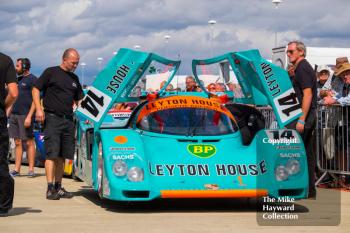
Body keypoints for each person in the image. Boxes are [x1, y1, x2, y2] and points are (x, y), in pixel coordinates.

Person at [32, 48, 84, 200]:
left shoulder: (74, 78)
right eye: (74, 62)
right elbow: (36, 89)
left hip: (68, 120)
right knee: (51, 154)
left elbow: (79, 100)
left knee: (62, 156)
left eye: (77, 63)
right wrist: (38, 109)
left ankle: (58, 187)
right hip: (52, 118)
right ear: (65, 59)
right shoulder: (51, 72)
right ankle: (49, 189)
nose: (76, 65)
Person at [286, 41, 317, 198]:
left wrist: (302, 119)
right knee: (306, 153)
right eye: (288, 51)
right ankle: (309, 190)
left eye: (291, 51)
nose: (288, 54)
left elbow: (308, 94)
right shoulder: (300, 68)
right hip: (306, 115)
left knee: (295, 152)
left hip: (304, 116)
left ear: (301, 52)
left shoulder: (303, 67)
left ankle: (296, 187)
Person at [8, 58, 37, 177]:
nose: (16, 68)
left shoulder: (33, 80)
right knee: (17, 142)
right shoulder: (16, 80)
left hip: (26, 115)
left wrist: (29, 116)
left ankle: (31, 170)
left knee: (29, 142)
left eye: (18, 66)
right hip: (14, 115)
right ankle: (17, 169)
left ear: (24, 67)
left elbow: (36, 100)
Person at [0, 52, 18, 216]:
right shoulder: (5, 60)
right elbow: (13, 93)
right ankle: (3, 206)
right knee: (1, 163)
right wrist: (4, 108)